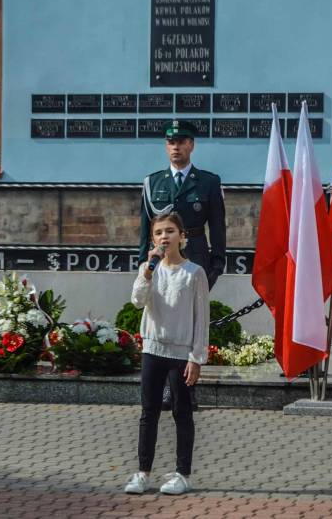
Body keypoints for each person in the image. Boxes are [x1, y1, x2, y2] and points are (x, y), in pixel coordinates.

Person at [139, 119, 226, 410]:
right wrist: (143, 263)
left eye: (181, 141)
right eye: (170, 142)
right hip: (161, 262)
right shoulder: (153, 182)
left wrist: (218, 262)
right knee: (164, 318)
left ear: (191, 145)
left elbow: (218, 225)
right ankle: (167, 388)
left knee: (191, 321)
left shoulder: (209, 182)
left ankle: (188, 388)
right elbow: (145, 228)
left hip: (195, 258)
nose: (175, 147)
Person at [124, 212, 209, 495]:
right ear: (153, 240)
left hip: (181, 353)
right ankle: (143, 473)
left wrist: (196, 357)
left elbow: (201, 318)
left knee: (181, 412)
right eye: (159, 232)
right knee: (148, 412)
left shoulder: (194, 273)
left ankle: (183, 474)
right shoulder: (149, 269)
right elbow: (137, 301)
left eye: (170, 231)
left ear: (182, 236)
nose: (164, 237)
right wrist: (147, 273)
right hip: (153, 349)